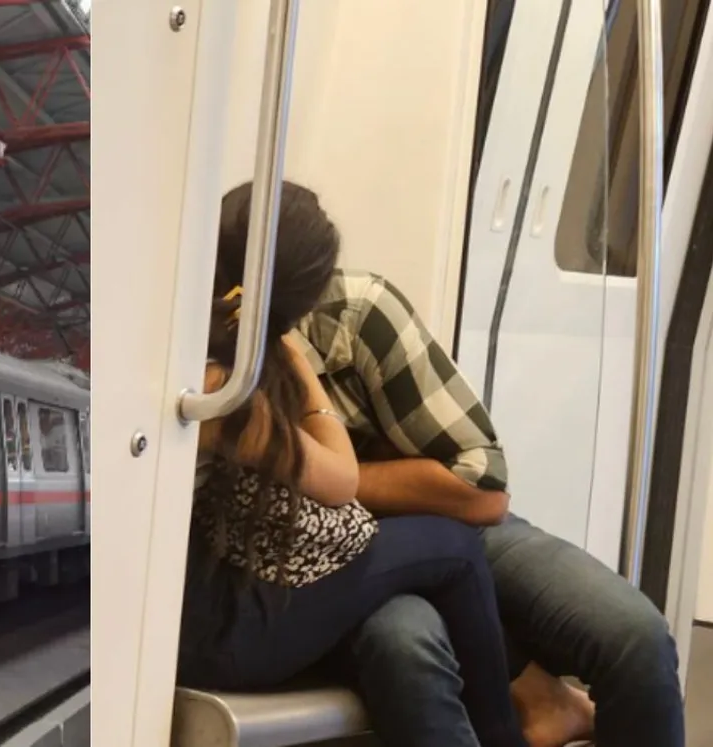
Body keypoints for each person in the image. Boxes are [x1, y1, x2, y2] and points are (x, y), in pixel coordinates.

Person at [257, 184, 684, 745]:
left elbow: (482, 489)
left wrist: (338, 479)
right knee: (408, 644)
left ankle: (545, 700)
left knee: (637, 637)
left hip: (454, 527)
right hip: (332, 561)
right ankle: (538, 699)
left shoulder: (356, 312)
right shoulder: (220, 363)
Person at [175, 180, 530, 747]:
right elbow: (339, 481)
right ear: (303, 301)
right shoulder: (223, 389)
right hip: (218, 637)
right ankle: (505, 731)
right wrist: (302, 369)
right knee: (456, 550)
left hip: (205, 604)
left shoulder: (192, 344)